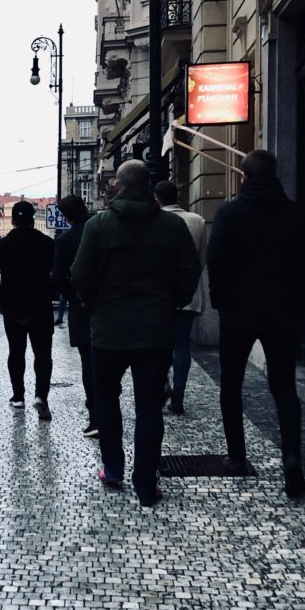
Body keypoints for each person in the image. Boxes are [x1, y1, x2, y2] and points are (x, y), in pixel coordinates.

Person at [71, 160, 200, 507]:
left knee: (106, 400)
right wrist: (171, 304)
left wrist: (94, 304)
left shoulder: (99, 225)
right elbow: (190, 273)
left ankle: (112, 469)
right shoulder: (172, 226)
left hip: (107, 332)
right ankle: (145, 485)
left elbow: (80, 275)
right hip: (154, 331)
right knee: (149, 408)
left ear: (118, 186)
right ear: (149, 186)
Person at [207, 149, 305, 498]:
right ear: (276, 175)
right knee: (284, 389)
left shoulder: (229, 214)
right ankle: (291, 462)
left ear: (243, 177)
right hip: (283, 314)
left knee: (231, 386)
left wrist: (222, 302)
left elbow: (217, 263)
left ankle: (237, 457)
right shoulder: (296, 216)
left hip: (238, 314)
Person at [0, 200, 55, 420]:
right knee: (42, 354)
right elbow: (58, 272)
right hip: (40, 308)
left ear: (13, 220)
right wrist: (49, 294)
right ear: (33, 220)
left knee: (16, 353)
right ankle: (41, 396)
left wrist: (0, 301)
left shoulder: (2, 245)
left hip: (13, 309)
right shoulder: (46, 243)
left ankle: (18, 396)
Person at [155, 181, 207, 415]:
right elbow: (201, 260)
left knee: (157, 345)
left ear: (157, 197)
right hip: (189, 293)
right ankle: (179, 396)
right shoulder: (197, 220)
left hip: (159, 295)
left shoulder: (154, 219)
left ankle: (162, 383)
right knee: (181, 346)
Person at [51, 194, 98, 437]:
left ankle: (95, 416)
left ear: (65, 216)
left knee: (88, 362)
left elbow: (57, 277)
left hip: (81, 308)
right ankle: (108, 411)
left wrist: (73, 297)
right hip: (108, 304)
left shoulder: (65, 240)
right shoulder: (103, 229)